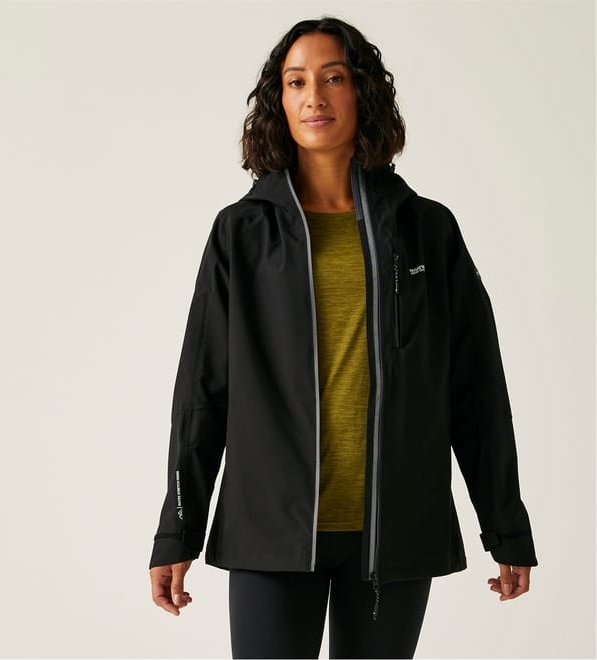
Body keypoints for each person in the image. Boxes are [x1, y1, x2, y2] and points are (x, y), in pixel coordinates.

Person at [148, 15, 539, 659]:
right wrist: (177, 531)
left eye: (333, 78)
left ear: (362, 92)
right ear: (279, 101)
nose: (314, 97)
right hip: (270, 535)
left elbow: (475, 390)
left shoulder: (427, 231)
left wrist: (506, 527)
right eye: (296, 82)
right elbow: (202, 390)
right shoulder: (241, 233)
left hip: (394, 533)